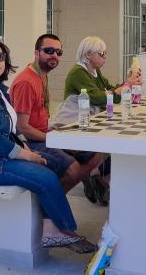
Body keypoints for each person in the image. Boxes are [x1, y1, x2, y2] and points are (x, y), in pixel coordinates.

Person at [0, 37, 96, 254]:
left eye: (0, 56)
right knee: (45, 177)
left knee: (51, 166)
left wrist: (25, 147)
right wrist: (29, 156)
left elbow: (13, 128)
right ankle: (63, 231)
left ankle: (51, 227)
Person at [10, 34, 103, 196]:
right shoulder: (26, 82)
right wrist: (51, 137)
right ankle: (48, 204)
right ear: (37, 53)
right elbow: (22, 127)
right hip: (30, 141)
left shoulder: (42, 75)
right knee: (73, 169)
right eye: (49, 51)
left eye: (58, 52)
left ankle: (53, 197)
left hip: (44, 132)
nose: (54, 55)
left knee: (95, 153)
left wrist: (53, 131)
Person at [63, 36, 141, 205]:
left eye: (105, 53)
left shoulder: (95, 71)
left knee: (125, 140)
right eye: (101, 54)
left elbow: (110, 92)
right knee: (124, 143)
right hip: (78, 122)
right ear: (88, 54)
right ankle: (98, 175)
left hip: (93, 118)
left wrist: (126, 84)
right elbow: (98, 97)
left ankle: (99, 175)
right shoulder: (78, 72)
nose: (105, 57)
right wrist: (118, 90)